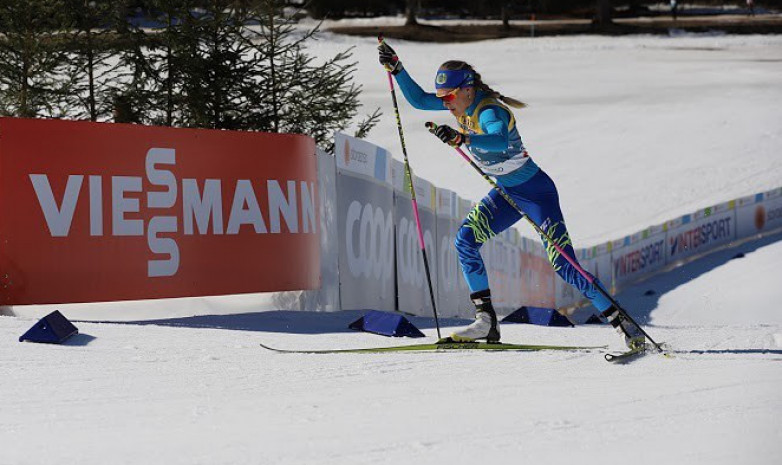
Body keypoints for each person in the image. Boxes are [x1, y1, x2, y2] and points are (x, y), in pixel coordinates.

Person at [378, 41, 645, 349]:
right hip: (506, 193)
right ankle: (486, 322)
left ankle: (623, 323)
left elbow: (498, 140)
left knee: (563, 264)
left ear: (467, 89)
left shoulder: (489, 110)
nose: (446, 103)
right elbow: (420, 100)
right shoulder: (459, 102)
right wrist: (397, 69)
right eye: (444, 98)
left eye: (449, 96)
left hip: (535, 193)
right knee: (465, 240)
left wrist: (463, 137)